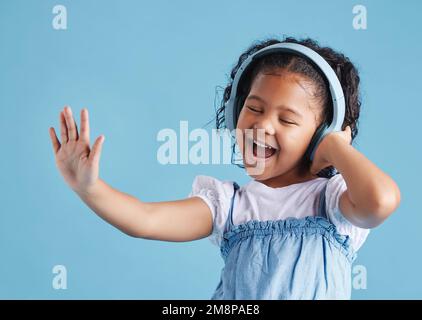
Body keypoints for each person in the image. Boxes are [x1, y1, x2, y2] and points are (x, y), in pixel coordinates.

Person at [48, 36, 401, 299]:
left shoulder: (332, 201)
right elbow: (145, 220)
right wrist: (89, 188)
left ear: (322, 134)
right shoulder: (230, 205)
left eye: (287, 119)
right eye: (255, 108)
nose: (262, 126)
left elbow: (380, 202)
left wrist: (336, 147)